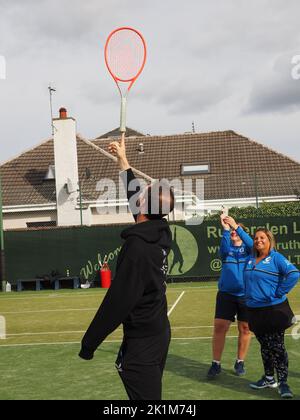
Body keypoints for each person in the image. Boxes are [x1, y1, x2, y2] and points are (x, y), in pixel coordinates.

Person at [78, 135, 174, 401]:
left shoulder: (139, 248)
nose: (140, 191)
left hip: (144, 342)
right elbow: (136, 196)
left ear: (144, 205)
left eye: (145, 192)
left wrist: (89, 343)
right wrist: (122, 159)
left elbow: (118, 301)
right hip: (156, 331)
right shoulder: (159, 232)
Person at [245, 228, 299, 399]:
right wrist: (234, 227)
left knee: (277, 347)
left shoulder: (276, 258)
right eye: (255, 238)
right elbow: (246, 241)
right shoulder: (251, 258)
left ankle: (283, 382)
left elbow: (294, 274)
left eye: (262, 237)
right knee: (265, 346)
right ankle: (269, 378)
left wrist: (278, 292)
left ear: (269, 240)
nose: (258, 240)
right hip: (254, 310)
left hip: (273, 309)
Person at [207, 215, 253, 379]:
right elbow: (224, 249)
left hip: (246, 296)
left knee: (245, 329)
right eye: (232, 229)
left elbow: (252, 244)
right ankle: (216, 363)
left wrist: (236, 225)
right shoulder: (227, 250)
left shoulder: (249, 251)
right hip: (226, 294)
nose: (234, 231)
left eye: (236, 229)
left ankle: (240, 361)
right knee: (220, 327)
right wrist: (226, 229)